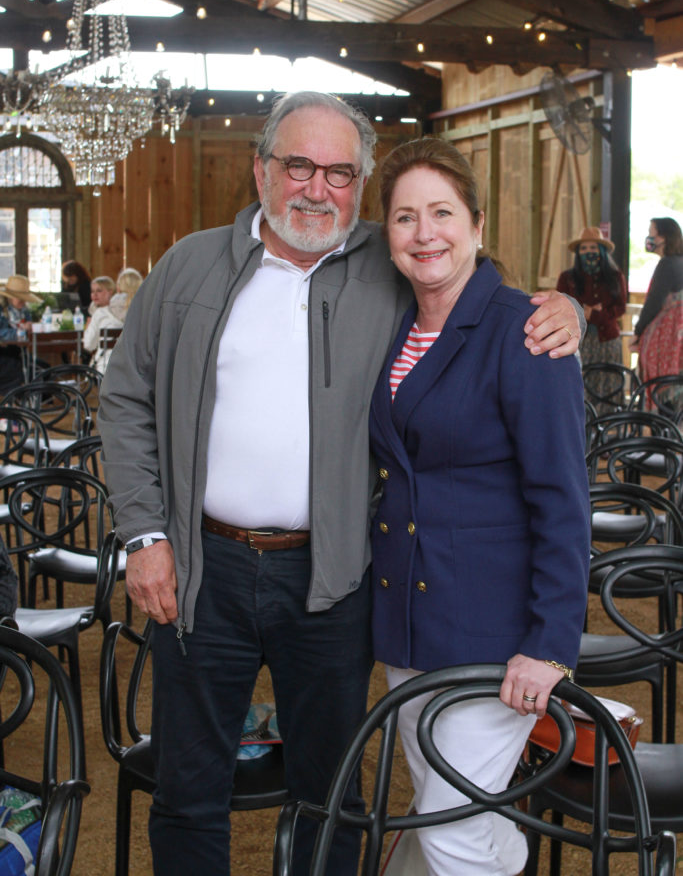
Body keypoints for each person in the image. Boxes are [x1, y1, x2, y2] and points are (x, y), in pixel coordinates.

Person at [97, 91, 584, 876]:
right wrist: (145, 533)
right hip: (198, 569)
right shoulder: (188, 265)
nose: (315, 188)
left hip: (333, 578)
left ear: (357, 187)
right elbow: (124, 399)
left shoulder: (382, 268)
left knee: (331, 790)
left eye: (338, 172)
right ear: (260, 171)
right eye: (298, 165)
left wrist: (567, 311)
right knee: (188, 790)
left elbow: (472, 290)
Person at [370, 137, 590, 876]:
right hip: (406, 621)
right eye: (405, 218)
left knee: (449, 829)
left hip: (494, 636)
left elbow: (562, 499)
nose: (424, 233)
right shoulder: (393, 325)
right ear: (387, 235)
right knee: (454, 809)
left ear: (477, 225)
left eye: (441, 212)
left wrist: (551, 642)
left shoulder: (525, 330)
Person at [557, 225, 627, 410]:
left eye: (594, 247)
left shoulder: (615, 276)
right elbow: (561, 305)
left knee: (609, 383)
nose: (589, 252)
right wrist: (583, 311)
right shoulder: (567, 277)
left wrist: (595, 314)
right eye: (584, 248)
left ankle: (609, 429)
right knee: (580, 384)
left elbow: (620, 308)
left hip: (608, 340)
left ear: (602, 250)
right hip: (579, 340)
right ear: (578, 252)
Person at [630, 217, 683, 388]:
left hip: (665, 341)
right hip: (677, 342)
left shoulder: (667, 264)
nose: (649, 239)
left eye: (651, 233)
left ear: (663, 238)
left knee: (658, 387)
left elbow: (653, 303)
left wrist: (638, 332)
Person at [83, 268, 143, 372]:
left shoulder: (101, 313)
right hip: (138, 369)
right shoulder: (145, 313)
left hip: (107, 368)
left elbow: (88, 345)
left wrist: (87, 329)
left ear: (117, 289)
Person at [0, 275, 39, 397]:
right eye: (19, 298)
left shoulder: (24, 311)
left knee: (40, 368)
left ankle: (35, 401)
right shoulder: (2, 311)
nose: (22, 301)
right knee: (17, 370)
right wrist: (19, 331)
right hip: (3, 353)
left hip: (19, 352)